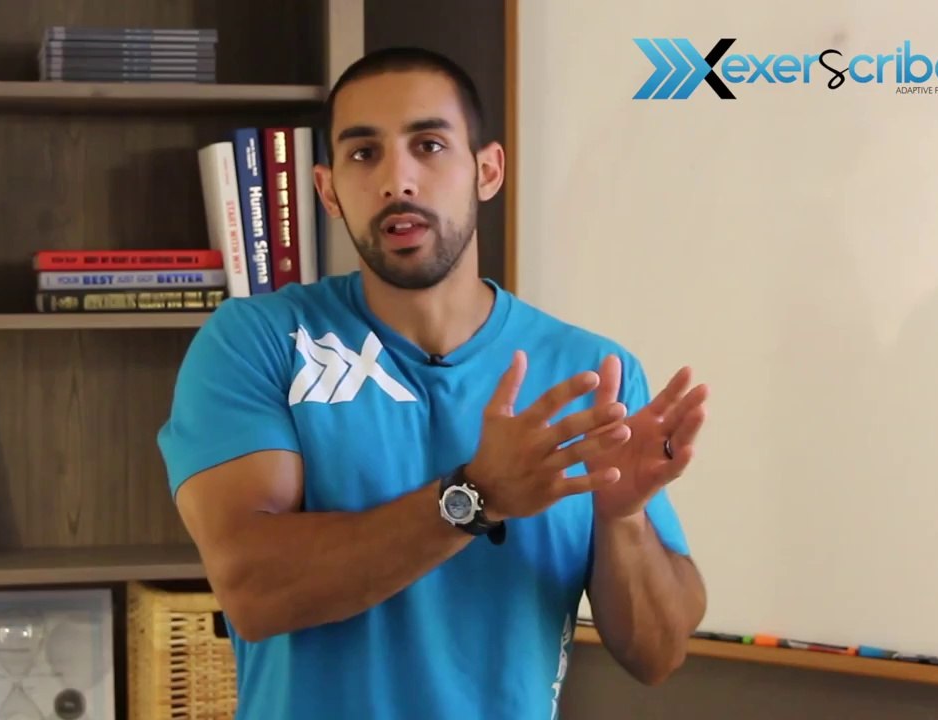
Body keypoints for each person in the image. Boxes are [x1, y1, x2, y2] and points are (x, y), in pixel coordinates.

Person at [157, 46, 709, 720]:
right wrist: (477, 496)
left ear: (487, 170)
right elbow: (253, 589)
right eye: (364, 153)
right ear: (328, 190)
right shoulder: (257, 341)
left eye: (429, 145)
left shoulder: (592, 374)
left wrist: (622, 521)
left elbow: (657, 654)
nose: (398, 180)